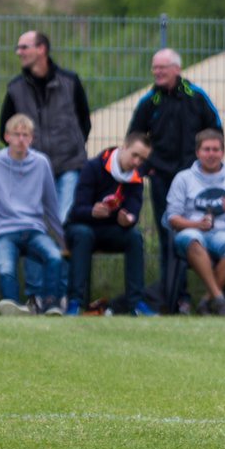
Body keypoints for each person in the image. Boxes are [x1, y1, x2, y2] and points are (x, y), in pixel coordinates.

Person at [0, 30, 90, 303]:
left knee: (59, 225)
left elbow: (84, 121)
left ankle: (58, 293)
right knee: (34, 226)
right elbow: (7, 127)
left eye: (23, 47)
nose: (19, 52)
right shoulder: (15, 88)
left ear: (41, 50)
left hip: (68, 167)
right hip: (30, 172)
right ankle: (37, 295)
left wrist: (70, 150)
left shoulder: (70, 82)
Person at [126, 48, 221, 298]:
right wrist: (149, 168)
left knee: (196, 233)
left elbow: (216, 129)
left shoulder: (196, 96)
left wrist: (207, 166)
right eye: (155, 68)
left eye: (162, 67)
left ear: (177, 69)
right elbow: (134, 137)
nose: (157, 72)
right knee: (167, 233)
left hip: (195, 180)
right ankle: (174, 296)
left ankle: (200, 293)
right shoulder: (150, 101)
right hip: (162, 179)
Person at [0, 114, 66, 316]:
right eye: (16, 134)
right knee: (5, 266)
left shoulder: (41, 162)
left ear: (32, 138)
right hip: (3, 230)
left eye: (26, 135)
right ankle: (13, 305)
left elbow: (51, 204)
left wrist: (62, 240)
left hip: (34, 229)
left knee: (54, 257)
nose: (21, 139)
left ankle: (51, 304)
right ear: (7, 137)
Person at [165, 129, 225, 316]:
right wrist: (196, 225)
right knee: (193, 239)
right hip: (191, 234)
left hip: (224, 234)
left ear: (223, 152)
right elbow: (172, 218)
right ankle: (220, 301)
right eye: (206, 149)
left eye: (216, 149)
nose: (211, 154)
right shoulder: (183, 179)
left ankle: (207, 300)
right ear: (197, 152)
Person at [65, 133, 155, 317]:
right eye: (135, 155)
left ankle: (136, 303)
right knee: (83, 234)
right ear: (123, 148)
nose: (137, 162)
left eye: (142, 159)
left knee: (135, 237)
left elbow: (133, 214)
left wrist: (127, 220)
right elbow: (75, 211)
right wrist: (92, 211)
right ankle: (75, 302)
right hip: (84, 227)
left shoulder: (136, 178)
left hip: (112, 231)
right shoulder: (93, 167)